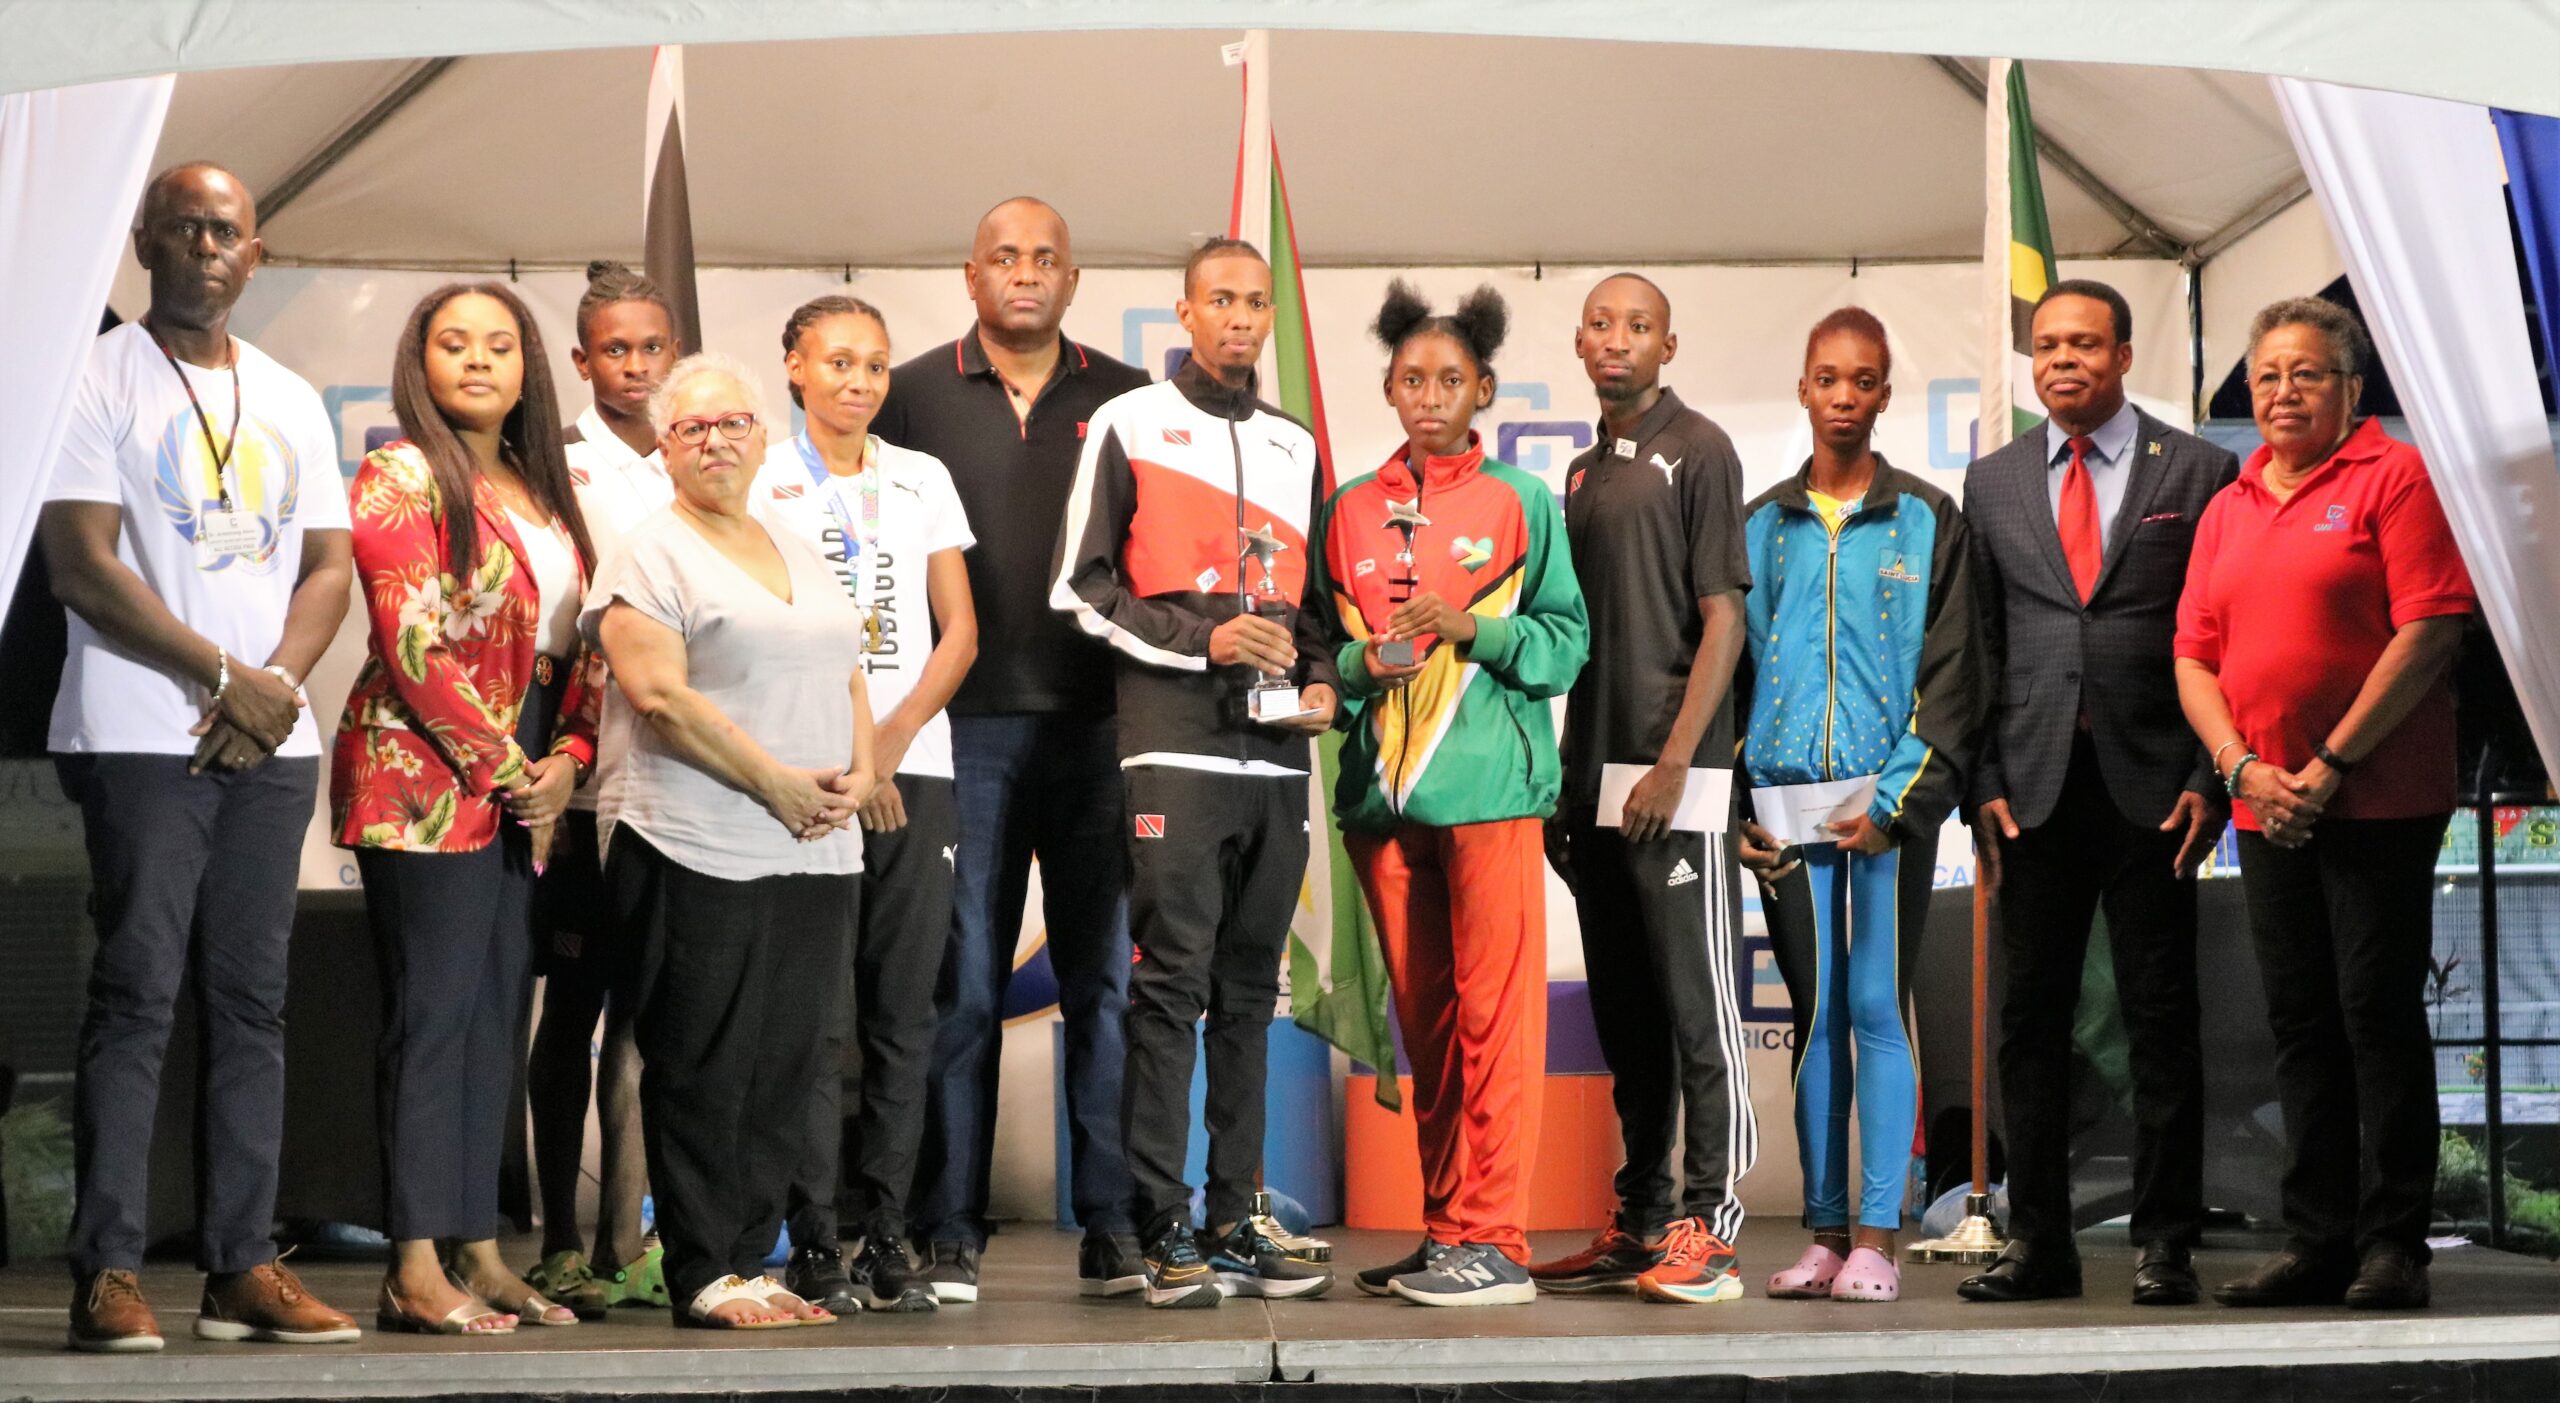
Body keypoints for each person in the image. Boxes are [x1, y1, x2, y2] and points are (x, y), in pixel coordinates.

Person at [42, 161, 361, 1352]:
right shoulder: (95, 374)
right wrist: (225, 678)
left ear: (256, 252)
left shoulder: (288, 394)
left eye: (226, 229)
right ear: (144, 243)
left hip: (273, 744)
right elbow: (82, 562)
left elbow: (328, 565)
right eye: (184, 227)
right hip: (141, 732)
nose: (207, 245)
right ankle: (110, 1269)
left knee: (252, 1003)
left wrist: (270, 686)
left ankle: (241, 1264)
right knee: (135, 995)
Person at [1051, 239, 1342, 1308]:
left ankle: (1234, 1211)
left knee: (1250, 992)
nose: (1238, 317)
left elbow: (1312, 614)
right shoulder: (1130, 423)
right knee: (1170, 984)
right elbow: (1078, 589)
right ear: (1183, 310)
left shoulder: (1295, 444)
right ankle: (1157, 1219)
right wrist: (1200, 643)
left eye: (1254, 302)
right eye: (1219, 298)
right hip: (1171, 743)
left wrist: (1321, 687)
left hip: (1275, 755)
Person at [870, 196, 1149, 1301]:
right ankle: (949, 1226)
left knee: (1106, 987)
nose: (1024, 273)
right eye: (1004, 257)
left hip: (1102, 728)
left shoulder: (1132, 399)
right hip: (959, 731)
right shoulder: (908, 397)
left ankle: (1116, 1222)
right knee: (963, 985)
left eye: (1045, 258)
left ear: (1072, 279)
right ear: (970, 275)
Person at [2175, 298, 2474, 1312]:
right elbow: (2193, 654)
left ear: (2350, 390)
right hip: (2265, 806)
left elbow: (2428, 630)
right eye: (2266, 375)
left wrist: (2331, 761)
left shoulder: (2393, 477)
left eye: (2306, 373)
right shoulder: (2230, 502)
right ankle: (2316, 1239)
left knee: (2373, 1015)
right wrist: (2239, 768)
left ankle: (2393, 1244)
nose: (2283, 391)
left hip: (2377, 798)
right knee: (2299, 1022)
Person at [1955, 279, 2237, 1308]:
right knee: (2028, 1021)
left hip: (2157, 784)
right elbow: (1976, 645)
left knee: (2161, 1014)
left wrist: (2212, 773)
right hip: (2027, 788)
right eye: (2045, 346)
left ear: (2122, 355)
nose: (2062, 360)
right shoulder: (1990, 483)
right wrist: (1978, 779)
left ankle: (2166, 1243)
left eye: (2082, 343)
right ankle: (2040, 1244)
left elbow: (2224, 633)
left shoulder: (2197, 468)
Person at [1311, 281, 1589, 1307]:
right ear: (1387, 386)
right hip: (1380, 808)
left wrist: (1476, 629)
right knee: (1428, 1026)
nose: (1429, 395)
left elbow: (1566, 645)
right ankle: (1446, 1232)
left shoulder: (1521, 501)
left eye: (1449, 379)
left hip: (1490, 794)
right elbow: (1311, 653)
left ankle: (1497, 1239)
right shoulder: (1345, 511)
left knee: (1494, 1022)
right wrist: (1351, 665)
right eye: (1411, 379)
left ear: (1484, 388)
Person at [586, 351, 877, 1329]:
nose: (715, 440)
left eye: (733, 423)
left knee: (787, 1065)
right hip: (692, 841)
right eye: (691, 427)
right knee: (704, 1062)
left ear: (763, 436)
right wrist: (775, 785)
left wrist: (866, 771)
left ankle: (756, 1260)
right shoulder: (647, 553)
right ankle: (703, 1268)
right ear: (664, 447)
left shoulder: (794, 541)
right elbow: (657, 695)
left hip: (816, 849)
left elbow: (847, 665)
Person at [335, 282, 598, 1335]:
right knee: (434, 1015)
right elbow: (411, 642)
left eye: (499, 344)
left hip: (529, 766)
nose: (478, 361)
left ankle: (480, 1247)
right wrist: (508, 764)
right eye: (455, 344)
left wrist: (570, 756)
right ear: (421, 360)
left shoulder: (544, 486)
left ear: (528, 366)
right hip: (424, 773)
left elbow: (581, 640)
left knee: (498, 1015)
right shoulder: (399, 474)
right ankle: (412, 1262)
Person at [1737, 308, 1981, 1306]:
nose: (1843, 395)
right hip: (1786, 812)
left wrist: (1894, 803)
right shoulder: (1760, 525)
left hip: (1881, 812)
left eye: (1863, 379)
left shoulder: (1928, 519)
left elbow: (1954, 671)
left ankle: (1881, 1235)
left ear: (1885, 394)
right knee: (1815, 1012)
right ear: (1802, 388)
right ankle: (1825, 1235)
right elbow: (1733, 667)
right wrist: (1743, 808)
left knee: (1876, 1007)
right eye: (1826, 377)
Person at [1534, 273, 1758, 1305]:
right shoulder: (1579, 473)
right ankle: (1637, 1219)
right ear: (1579, 342)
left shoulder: (1700, 448)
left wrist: (1676, 761)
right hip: (1593, 785)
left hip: (1681, 782)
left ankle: (1706, 1227)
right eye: (1600, 323)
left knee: (1697, 1011)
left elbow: (1723, 617)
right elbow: (1572, 643)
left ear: (1668, 344)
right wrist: (1560, 785)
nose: (1615, 339)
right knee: (1628, 1017)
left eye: (1637, 325)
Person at [760, 296, 977, 1315]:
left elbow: (960, 633)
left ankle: (887, 1227)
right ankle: (811, 1237)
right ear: (794, 366)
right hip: (806, 776)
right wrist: (850, 759)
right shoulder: (759, 479)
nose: (857, 379)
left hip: (909, 768)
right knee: (817, 1016)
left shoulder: (919, 477)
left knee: (901, 1011)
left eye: (876, 364)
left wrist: (886, 746)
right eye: (837, 360)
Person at [523, 260, 681, 1318]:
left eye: (650, 347)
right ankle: (562, 1236)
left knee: (650, 1012)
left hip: (671, 767)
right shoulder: (553, 463)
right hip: (578, 769)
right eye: (612, 348)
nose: (633, 365)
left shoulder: (700, 456)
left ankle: (634, 1235)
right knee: (571, 1003)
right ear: (581, 361)